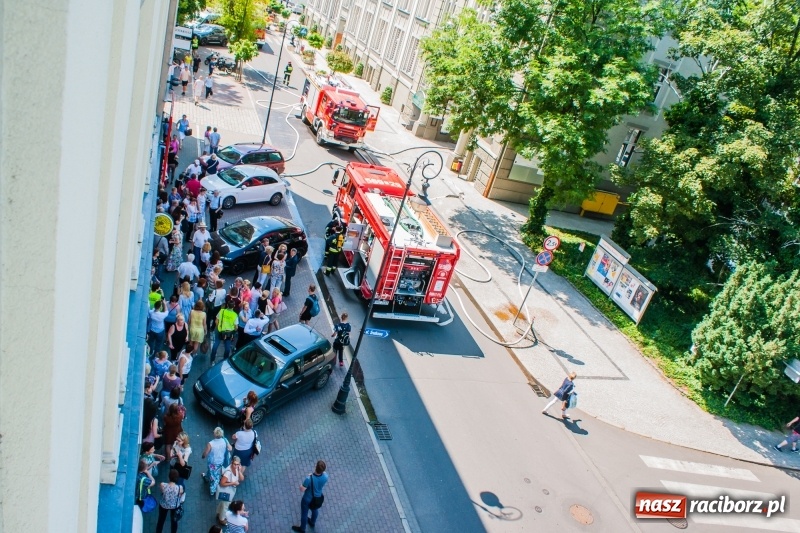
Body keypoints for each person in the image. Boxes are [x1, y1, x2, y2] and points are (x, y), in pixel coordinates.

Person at [291, 460, 329, 532]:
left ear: (315, 467)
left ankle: (302, 528)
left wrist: (308, 478)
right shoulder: (325, 476)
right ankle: (312, 522)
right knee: (315, 510)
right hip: (317, 498)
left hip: (307, 499)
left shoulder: (309, 479)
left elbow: (302, 489)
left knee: (304, 513)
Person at [202, 427, 232, 496]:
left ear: (215, 434)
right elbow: (230, 448)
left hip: (212, 462)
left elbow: (205, 453)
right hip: (220, 461)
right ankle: (207, 476)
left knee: (215, 477)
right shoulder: (225, 440)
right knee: (213, 472)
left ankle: (213, 489)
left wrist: (203, 456)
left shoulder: (211, 444)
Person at [216, 456, 243, 525]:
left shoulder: (237, 469)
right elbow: (222, 483)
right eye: (235, 464)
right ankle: (221, 519)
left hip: (230, 490)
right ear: (231, 462)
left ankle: (218, 513)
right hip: (227, 491)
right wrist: (233, 483)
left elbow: (242, 478)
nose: (236, 466)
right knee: (226, 506)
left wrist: (239, 471)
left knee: (223, 503)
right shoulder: (228, 472)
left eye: (238, 464)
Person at [155, 469, 184, 533]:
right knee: (174, 522)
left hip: (163, 505)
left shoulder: (163, 485)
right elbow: (180, 494)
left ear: (169, 477)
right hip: (174, 506)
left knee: (161, 521)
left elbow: (162, 491)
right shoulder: (180, 488)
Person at [210, 299, 238, 364]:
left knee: (215, 345)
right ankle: (225, 361)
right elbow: (236, 327)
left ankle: (212, 359)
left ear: (227, 305)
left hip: (220, 330)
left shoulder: (222, 311)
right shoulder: (235, 315)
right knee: (227, 348)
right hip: (229, 333)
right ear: (234, 306)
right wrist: (234, 331)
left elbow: (216, 321)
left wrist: (218, 327)